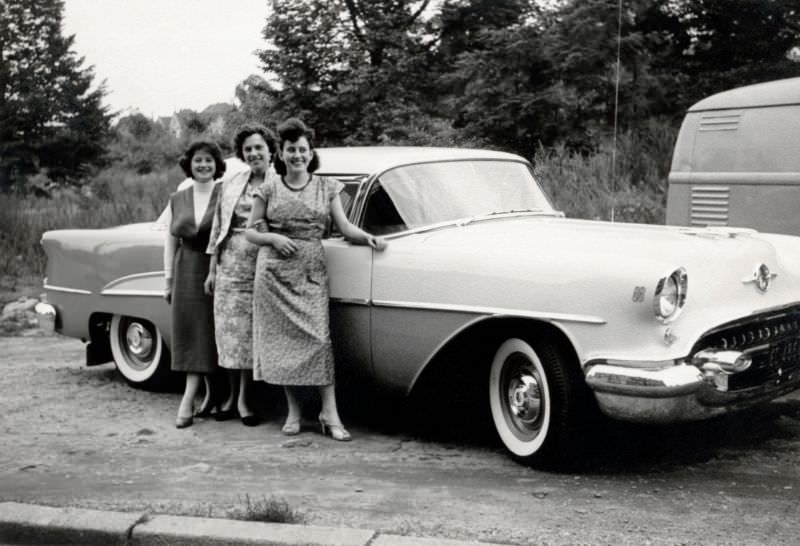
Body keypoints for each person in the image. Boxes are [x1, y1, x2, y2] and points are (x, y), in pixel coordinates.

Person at [245, 118, 386, 441]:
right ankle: (293, 411)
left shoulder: (327, 187)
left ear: (311, 153)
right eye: (291, 150)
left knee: (319, 341)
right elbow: (250, 231)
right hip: (274, 276)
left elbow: (345, 227)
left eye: (302, 150)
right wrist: (273, 240)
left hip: (310, 273)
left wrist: (369, 239)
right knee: (282, 344)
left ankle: (329, 412)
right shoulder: (267, 188)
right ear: (280, 154)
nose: (297, 155)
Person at [205, 123, 277, 427]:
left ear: (270, 150)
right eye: (248, 149)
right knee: (228, 337)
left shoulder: (280, 182)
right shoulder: (233, 181)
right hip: (229, 266)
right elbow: (218, 226)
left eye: (259, 147)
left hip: (261, 263)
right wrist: (212, 270)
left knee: (250, 336)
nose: (254, 153)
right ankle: (231, 397)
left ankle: (246, 399)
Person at [164, 140, 224, 428]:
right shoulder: (178, 197)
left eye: (209, 160)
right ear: (189, 164)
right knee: (192, 333)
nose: (203, 165)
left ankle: (190, 400)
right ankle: (199, 396)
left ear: (217, 165)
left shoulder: (226, 193)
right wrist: (168, 281)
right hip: (186, 269)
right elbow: (170, 241)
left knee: (210, 333)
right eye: (198, 160)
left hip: (216, 270)